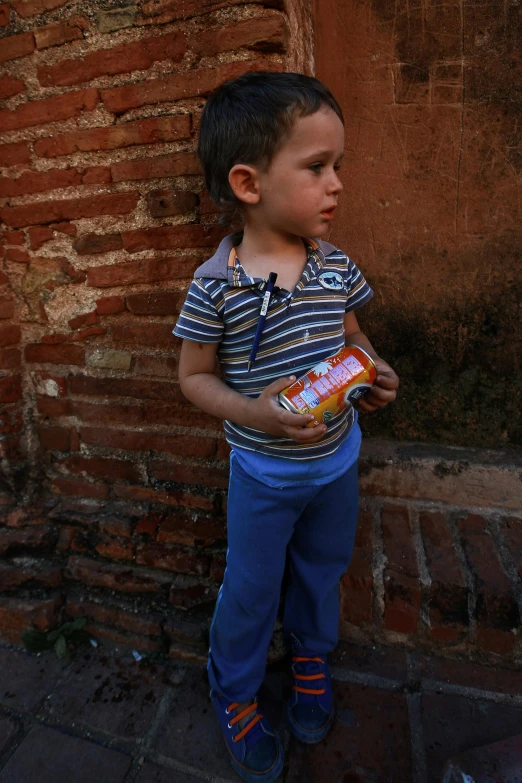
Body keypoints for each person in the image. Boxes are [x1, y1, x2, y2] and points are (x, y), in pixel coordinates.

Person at [173, 71, 399, 783]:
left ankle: (309, 658)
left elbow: (354, 340)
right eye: (316, 167)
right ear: (248, 182)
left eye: (339, 166)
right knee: (250, 584)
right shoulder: (218, 285)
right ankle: (235, 690)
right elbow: (193, 378)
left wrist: (371, 371)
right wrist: (256, 411)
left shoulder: (333, 267)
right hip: (264, 477)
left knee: (320, 571)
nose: (336, 184)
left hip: (335, 468)